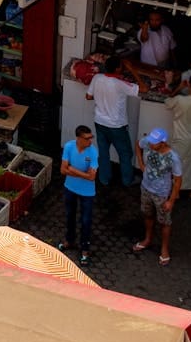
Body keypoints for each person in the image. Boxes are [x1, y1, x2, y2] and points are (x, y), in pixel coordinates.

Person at [86, 56, 147, 187]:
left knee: (103, 152)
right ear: (118, 68)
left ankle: (104, 179)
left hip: (100, 122)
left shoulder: (97, 78)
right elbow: (144, 89)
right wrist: (132, 69)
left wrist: (103, 99)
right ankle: (127, 180)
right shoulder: (120, 84)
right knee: (125, 153)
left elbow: (88, 96)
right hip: (116, 126)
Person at [134, 128, 183, 265]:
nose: (150, 144)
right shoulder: (148, 142)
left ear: (163, 143)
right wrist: (141, 163)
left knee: (164, 222)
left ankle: (164, 248)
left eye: (154, 143)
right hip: (145, 188)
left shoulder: (173, 158)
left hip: (161, 194)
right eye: (150, 141)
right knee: (147, 215)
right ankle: (148, 239)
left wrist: (171, 201)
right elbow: (138, 144)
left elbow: (178, 180)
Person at [59, 125, 99, 266]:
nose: (90, 141)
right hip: (70, 188)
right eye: (87, 138)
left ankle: (85, 250)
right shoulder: (69, 147)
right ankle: (69, 240)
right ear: (79, 138)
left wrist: (72, 169)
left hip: (87, 193)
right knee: (70, 215)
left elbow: (92, 177)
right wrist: (83, 174)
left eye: (91, 138)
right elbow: (63, 170)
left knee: (86, 221)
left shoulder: (93, 152)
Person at [165, 82, 191, 190]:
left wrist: (179, 88)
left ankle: (176, 192)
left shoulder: (180, 100)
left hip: (181, 138)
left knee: (177, 165)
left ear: (189, 85)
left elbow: (167, 102)